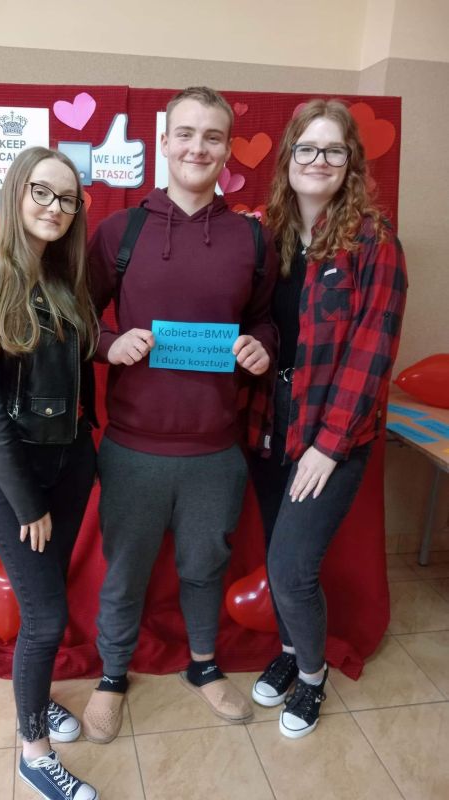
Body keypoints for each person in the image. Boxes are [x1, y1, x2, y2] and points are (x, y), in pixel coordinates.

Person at [82, 86, 278, 743]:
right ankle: (112, 676)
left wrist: (261, 346)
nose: (198, 147)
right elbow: (76, 318)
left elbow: (267, 321)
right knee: (125, 573)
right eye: (186, 133)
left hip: (216, 452)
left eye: (212, 136)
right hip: (133, 448)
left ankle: (203, 666)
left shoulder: (252, 238)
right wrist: (109, 344)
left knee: (204, 568)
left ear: (227, 150)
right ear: (164, 142)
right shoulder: (122, 232)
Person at [249, 99, 407, 739]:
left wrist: (328, 445)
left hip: (333, 430)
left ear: (351, 164)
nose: (318, 160)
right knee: (273, 553)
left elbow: (373, 351)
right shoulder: (270, 235)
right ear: (289, 158)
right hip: (270, 419)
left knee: (292, 568)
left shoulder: (374, 242)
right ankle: (291, 652)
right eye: (307, 148)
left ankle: (312, 679)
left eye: (333, 150)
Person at [0, 146, 100, 800]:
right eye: (42, 191)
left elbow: (75, 375)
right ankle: (35, 755)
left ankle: (36, 700)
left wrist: (84, 459)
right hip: (17, 482)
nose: (55, 207)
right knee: (46, 618)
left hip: (69, 468)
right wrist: (27, 502)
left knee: (46, 603)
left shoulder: (63, 283)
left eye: (67, 198)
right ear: (15, 193)